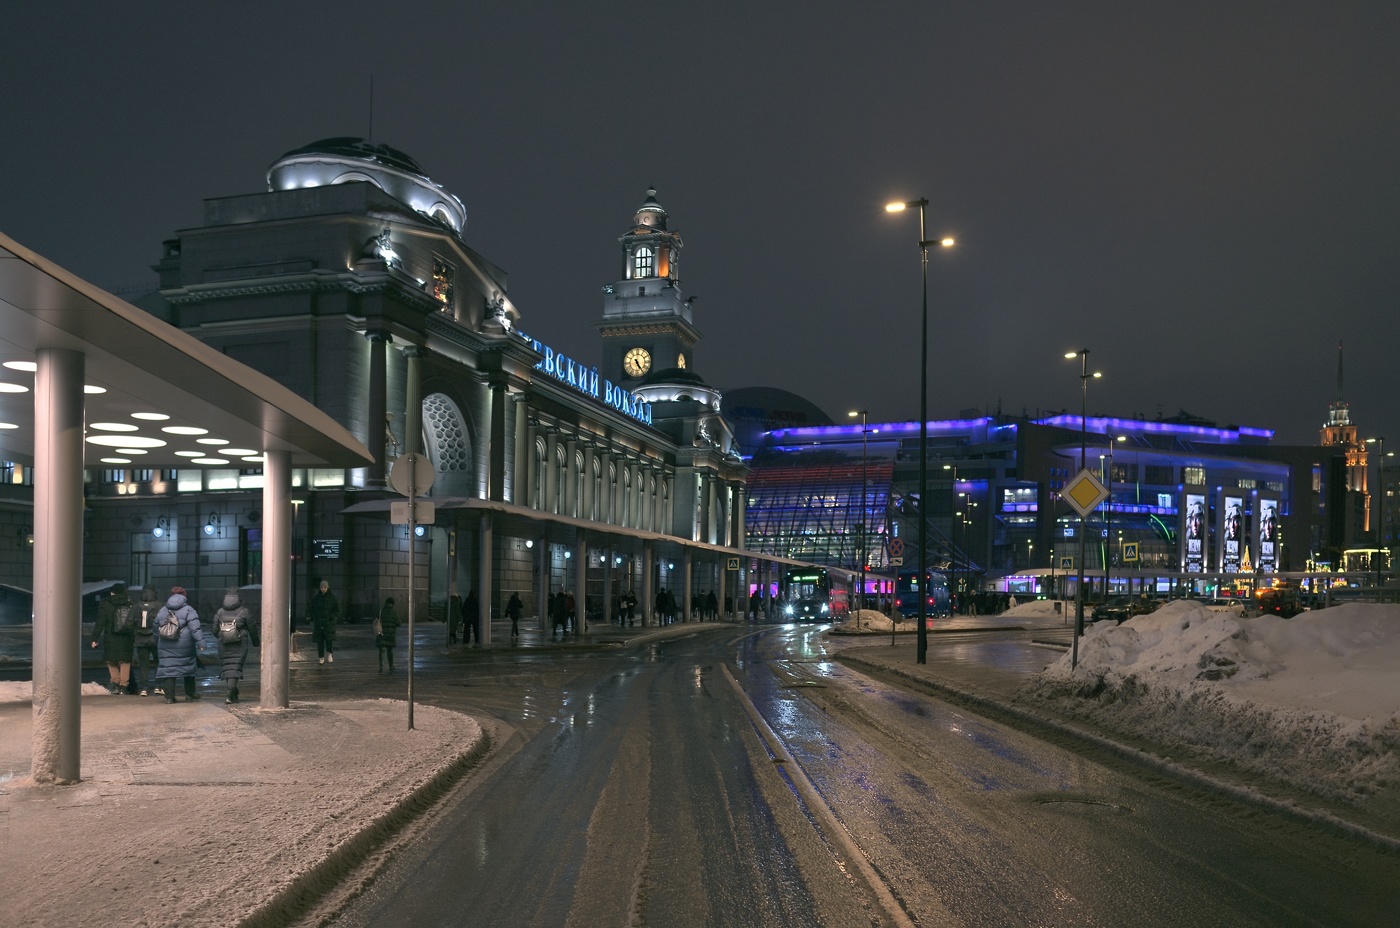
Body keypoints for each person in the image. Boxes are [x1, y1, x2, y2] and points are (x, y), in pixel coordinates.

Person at [155, 586, 205, 703]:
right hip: (185, 644)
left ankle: (169, 697)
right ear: (184, 596)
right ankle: (190, 695)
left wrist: (157, 641)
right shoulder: (189, 610)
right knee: (188, 669)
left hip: (166, 643)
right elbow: (195, 629)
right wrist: (201, 643)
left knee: (168, 670)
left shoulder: (163, 610)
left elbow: (155, 627)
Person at [212, 590, 258, 704]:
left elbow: (214, 629)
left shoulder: (220, 612)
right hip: (240, 643)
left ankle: (233, 692)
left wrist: (222, 636)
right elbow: (252, 628)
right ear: (239, 600)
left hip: (224, 643)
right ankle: (229, 694)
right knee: (235, 667)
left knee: (228, 667)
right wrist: (256, 642)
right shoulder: (244, 611)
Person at [91, 583, 136, 695]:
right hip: (126, 636)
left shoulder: (105, 603)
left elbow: (100, 622)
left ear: (112, 592)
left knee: (111, 660)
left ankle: (115, 683)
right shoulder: (129, 603)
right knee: (125, 661)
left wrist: (94, 638)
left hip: (110, 635)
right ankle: (124, 686)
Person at [131, 585, 161, 696]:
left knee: (143, 664)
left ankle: (144, 688)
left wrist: (135, 632)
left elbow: (129, 623)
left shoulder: (136, 607)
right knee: (158, 662)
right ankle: (158, 686)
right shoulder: (159, 606)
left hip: (140, 638)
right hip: (155, 638)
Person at [308, 579, 340, 665]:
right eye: (322, 587)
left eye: (325, 587)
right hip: (319, 623)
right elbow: (312, 609)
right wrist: (314, 618)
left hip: (328, 623)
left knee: (329, 640)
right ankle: (321, 657)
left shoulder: (332, 598)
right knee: (320, 641)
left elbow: (336, 609)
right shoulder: (316, 598)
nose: (323, 589)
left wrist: (332, 617)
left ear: (327, 588)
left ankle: (329, 653)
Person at [377, 596, 400, 672]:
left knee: (382, 650)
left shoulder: (381, 611)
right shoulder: (394, 612)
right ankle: (391, 666)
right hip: (390, 635)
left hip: (382, 634)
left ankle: (381, 666)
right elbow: (398, 623)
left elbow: (376, 621)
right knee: (390, 651)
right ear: (392, 604)